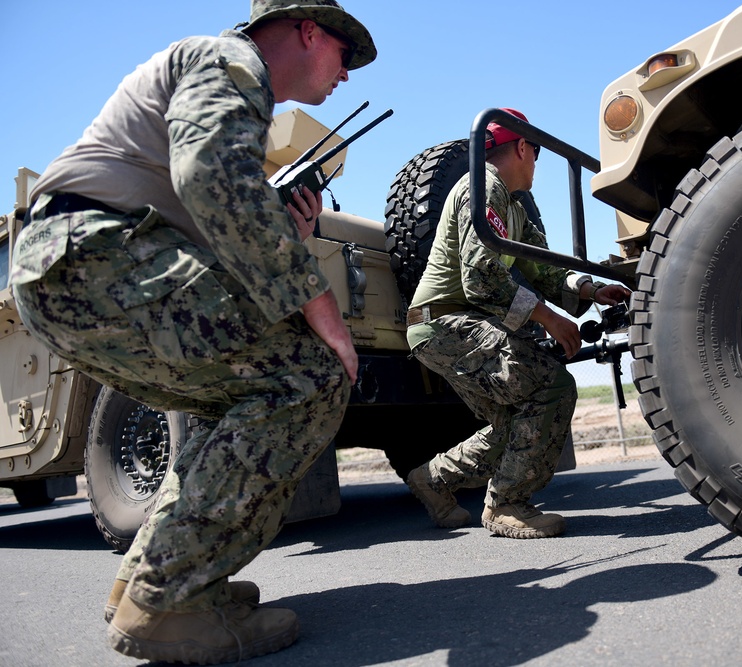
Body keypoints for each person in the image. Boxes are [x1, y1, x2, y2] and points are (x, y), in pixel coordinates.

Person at [9, 1, 375, 663]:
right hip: (91, 254)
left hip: (70, 266)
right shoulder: (231, 59)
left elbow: (204, 204)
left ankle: (154, 580)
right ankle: (170, 600)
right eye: (345, 55)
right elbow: (208, 175)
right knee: (309, 374)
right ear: (308, 31)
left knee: (229, 397)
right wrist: (323, 314)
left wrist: (281, 228)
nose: (346, 75)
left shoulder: (223, 80)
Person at [404, 108, 632, 539]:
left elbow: (542, 269)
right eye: (537, 154)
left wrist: (590, 290)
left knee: (513, 424)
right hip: (444, 322)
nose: (536, 166)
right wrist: (548, 318)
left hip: (451, 323)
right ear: (523, 147)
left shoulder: (513, 206)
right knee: (552, 387)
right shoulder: (483, 186)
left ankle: (433, 479)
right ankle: (507, 504)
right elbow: (481, 277)